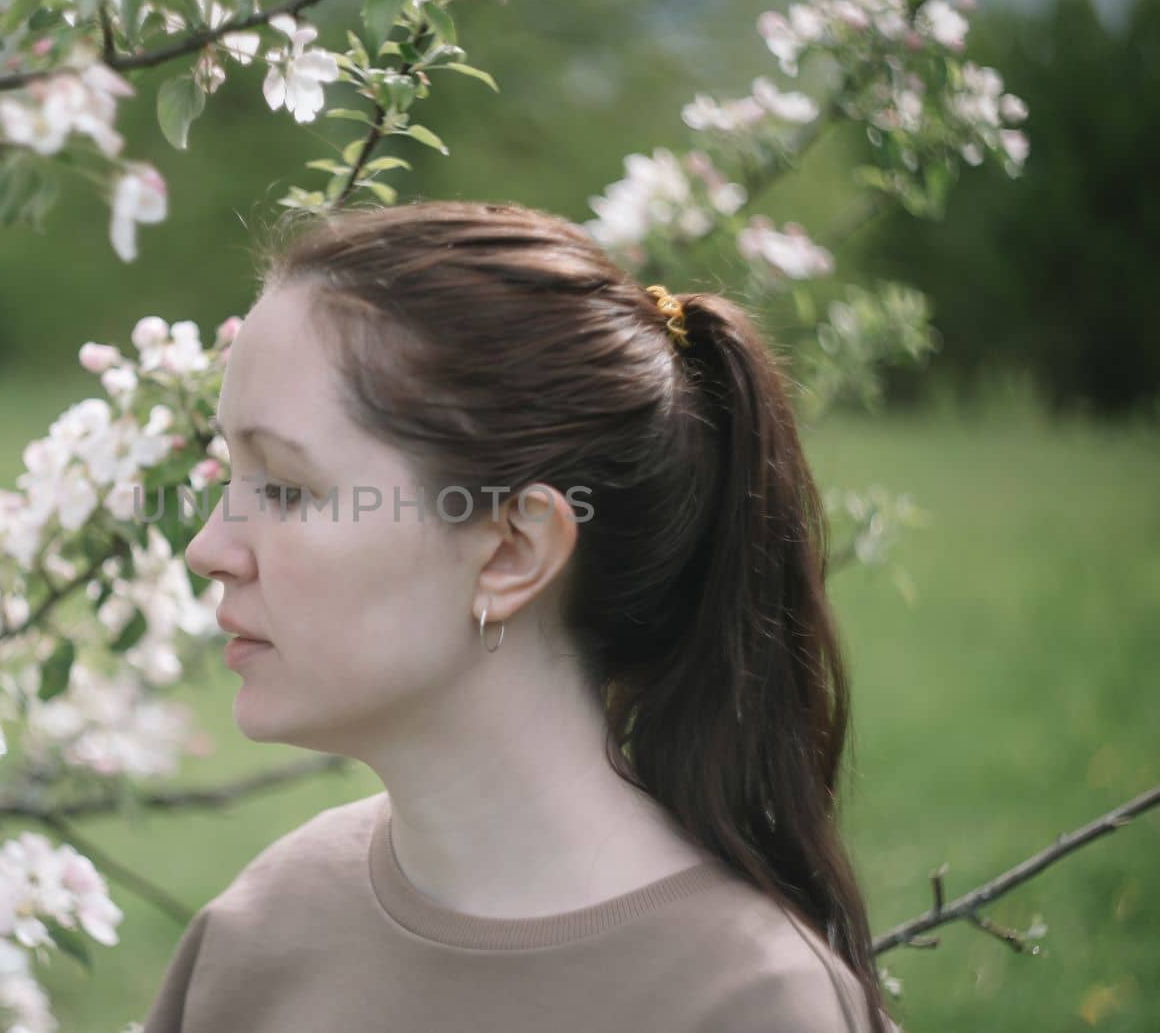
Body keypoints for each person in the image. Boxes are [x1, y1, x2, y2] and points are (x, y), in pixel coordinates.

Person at [150, 199, 896, 1032]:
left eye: (284, 487)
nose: (209, 547)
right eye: (230, 480)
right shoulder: (261, 935)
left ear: (512, 551)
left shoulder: (751, 1004)